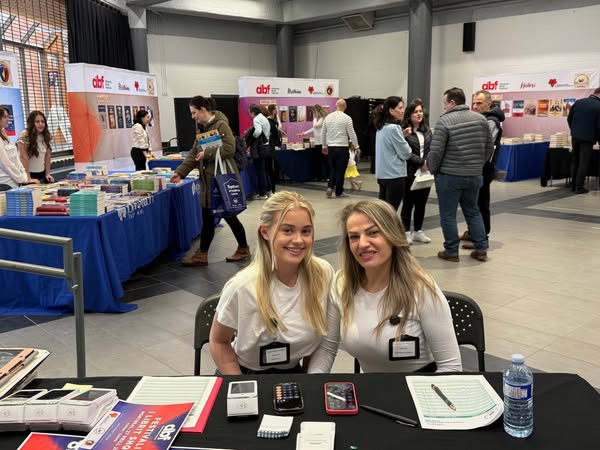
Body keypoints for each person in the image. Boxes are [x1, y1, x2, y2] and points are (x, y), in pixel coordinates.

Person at [309, 199, 462, 374]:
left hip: (421, 384)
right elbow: (327, 348)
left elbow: (451, 367)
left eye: (373, 233)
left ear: (392, 235)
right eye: (354, 237)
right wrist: (313, 381)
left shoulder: (422, 289)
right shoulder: (342, 283)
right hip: (374, 386)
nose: (362, 244)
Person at [209, 191, 335, 374]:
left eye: (306, 231)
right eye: (287, 230)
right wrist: (240, 385)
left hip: (292, 372)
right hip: (243, 372)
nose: (298, 240)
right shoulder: (242, 286)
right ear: (265, 232)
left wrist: (310, 381)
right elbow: (219, 341)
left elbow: (320, 341)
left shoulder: (322, 274)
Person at [170, 96, 251, 266]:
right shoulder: (202, 128)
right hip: (209, 182)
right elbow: (194, 153)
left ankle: (242, 248)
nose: (193, 116)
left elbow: (229, 148)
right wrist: (180, 172)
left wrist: (206, 154)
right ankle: (203, 254)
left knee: (228, 216)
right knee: (208, 218)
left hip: (220, 180)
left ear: (202, 110)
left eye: (194, 112)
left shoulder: (221, 125)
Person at [427, 87, 493, 262]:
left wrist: (433, 169)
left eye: (445, 103)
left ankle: (451, 251)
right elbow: (489, 148)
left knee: (448, 215)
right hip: (474, 176)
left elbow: (436, 152)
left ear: (452, 102)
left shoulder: (444, 121)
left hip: (449, 176)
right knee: (473, 212)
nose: (444, 107)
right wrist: (477, 165)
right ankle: (481, 249)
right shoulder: (481, 120)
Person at [460, 90, 505, 248]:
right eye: (474, 103)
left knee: (481, 203)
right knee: (472, 202)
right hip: (476, 167)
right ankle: (473, 232)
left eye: (479, 103)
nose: (475, 106)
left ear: (488, 104)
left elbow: (483, 145)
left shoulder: (491, 121)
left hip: (483, 168)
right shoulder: (482, 119)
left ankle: (482, 237)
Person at [400, 99, 433, 245]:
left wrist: (427, 162)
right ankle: (406, 232)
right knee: (408, 202)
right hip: (409, 171)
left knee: (422, 202)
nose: (419, 114)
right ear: (409, 114)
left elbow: (431, 149)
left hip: (425, 172)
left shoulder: (427, 130)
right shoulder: (404, 131)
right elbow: (405, 152)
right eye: (415, 112)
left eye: (420, 111)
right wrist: (421, 162)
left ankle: (418, 231)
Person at [373, 96, 415, 211]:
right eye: (400, 108)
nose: (402, 111)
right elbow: (406, 153)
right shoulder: (394, 128)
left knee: (383, 211)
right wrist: (404, 140)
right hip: (394, 175)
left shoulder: (381, 127)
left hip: (383, 175)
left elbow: (389, 146)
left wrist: (401, 135)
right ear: (391, 110)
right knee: (391, 211)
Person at [322, 99, 360, 198]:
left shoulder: (328, 117)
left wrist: (324, 146)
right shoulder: (347, 118)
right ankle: (339, 191)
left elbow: (323, 133)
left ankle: (330, 187)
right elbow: (352, 134)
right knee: (340, 171)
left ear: (336, 105)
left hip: (331, 148)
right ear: (345, 106)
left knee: (332, 169)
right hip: (342, 148)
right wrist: (356, 146)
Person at [567, 86, 600, 194]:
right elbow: (599, 127)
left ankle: (573, 185)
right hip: (588, 138)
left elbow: (569, 118)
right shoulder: (598, 106)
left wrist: (574, 131)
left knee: (575, 160)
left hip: (575, 136)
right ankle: (579, 187)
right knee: (583, 162)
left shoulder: (578, 102)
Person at [16, 110, 55, 184]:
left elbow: (48, 155)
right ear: (31, 123)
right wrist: (28, 178)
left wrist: (47, 174)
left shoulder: (46, 135)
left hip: (42, 173)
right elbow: (23, 157)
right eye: (37, 122)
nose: (40, 124)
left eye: (42, 122)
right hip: (29, 174)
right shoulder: (24, 135)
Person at [0, 106, 28, 189]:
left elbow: (15, 159)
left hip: (15, 180)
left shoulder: (3, 134)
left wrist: (24, 174)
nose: (7, 119)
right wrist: (21, 178)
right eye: (4, 117)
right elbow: (5, 163)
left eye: (8, 116)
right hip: (6, 182)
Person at [299, 104, 328, 181]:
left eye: (314, 112)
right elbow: (313, 128)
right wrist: (304, 133)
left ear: (317, 111)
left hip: (322, 142)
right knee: (317, 160)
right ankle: (319, 177)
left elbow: (316, 125)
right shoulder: (317, 119)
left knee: (324, 160)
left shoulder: (322, 118)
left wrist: (314, 118)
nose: (313, 113)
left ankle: (325, 176)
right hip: (317, 142)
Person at [249, 104, 271, 199]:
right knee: (265, 170)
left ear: (253, 112)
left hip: (260, 148)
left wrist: (252, 137)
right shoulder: (264, 118)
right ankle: (269, 191)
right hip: (267, 146)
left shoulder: (256, 119)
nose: (250, 115)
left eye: (250, 113)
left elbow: (258, 131)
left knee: (260, 171)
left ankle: (262, 193)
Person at [266, 105, 282, 193]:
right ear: (271, 110)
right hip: (270, 145)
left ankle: (273, 186)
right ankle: (271, 187)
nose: (276, 111)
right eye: (275, 109)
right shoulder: (269, 120)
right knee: (270, 166)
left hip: (273, 144)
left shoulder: (275, 119)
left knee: (273, 165)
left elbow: (279, 128)